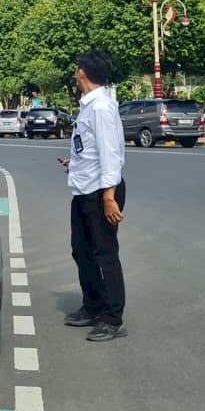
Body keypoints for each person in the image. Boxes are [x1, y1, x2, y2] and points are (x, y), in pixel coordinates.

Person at [60, 49, 128, 342]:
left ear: (82, 72)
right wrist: (74, 162)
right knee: (81, 250)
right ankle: (93, 306)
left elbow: (111, 153)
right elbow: (91, 148)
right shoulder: (90, 105)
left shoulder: (101, 107)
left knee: (105, 254)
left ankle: (112, 319)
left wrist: (109, 195)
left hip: (102, 191)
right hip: (85, 187)